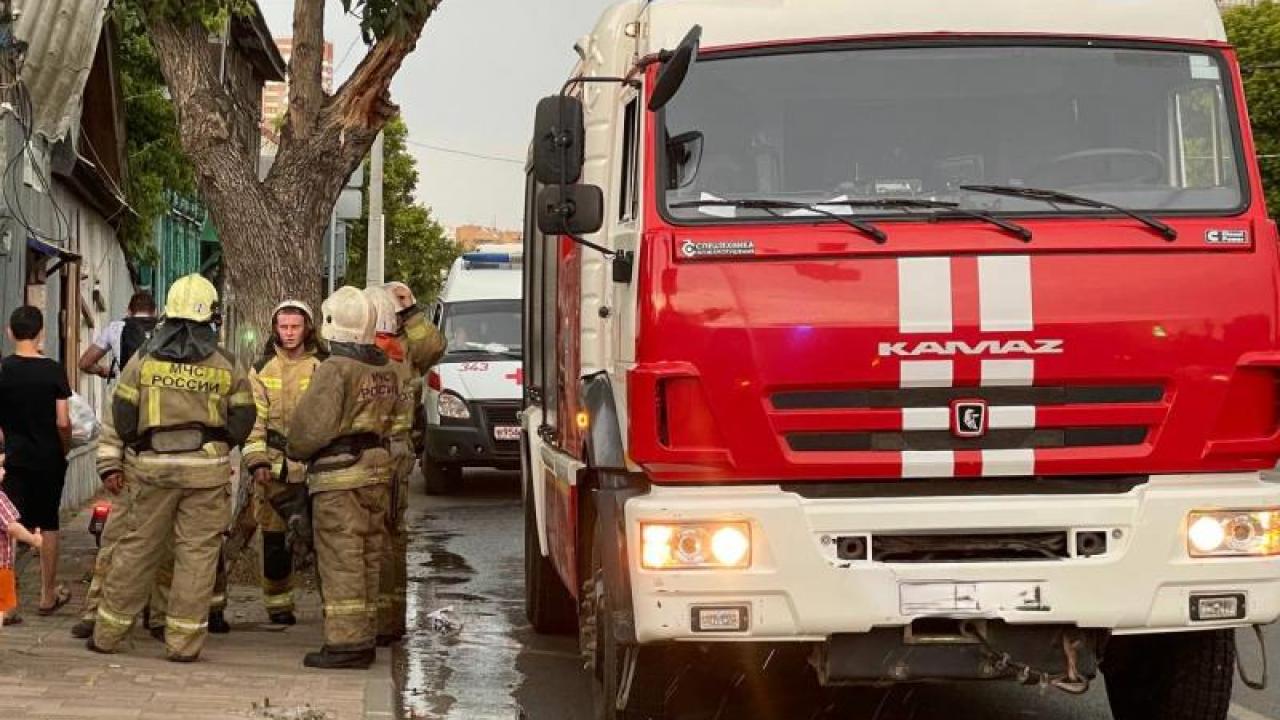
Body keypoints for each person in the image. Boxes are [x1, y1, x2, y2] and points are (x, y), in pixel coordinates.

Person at [89, 274, 255, 662]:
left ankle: (108, 634)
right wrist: (218, 443)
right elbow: (245, 416)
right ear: (212, 316)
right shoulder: (227, 363)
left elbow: (123, 414)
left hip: (153, 470)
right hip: (207, 473)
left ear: (169, 311)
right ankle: (183, 643)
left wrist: (137, 447)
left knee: (137, 549)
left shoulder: (143, 359)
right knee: (196, 557)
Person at [287, 286, 410, 669]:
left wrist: (295, 449)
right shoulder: (386, 368)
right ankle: (365, 634)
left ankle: (346, 644)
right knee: (370, 554)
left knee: (342, 557)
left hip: (340, 477)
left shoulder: (335, 369)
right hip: (377, 470)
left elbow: (309, 430)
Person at [241, 300, 324, 625]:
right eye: (283, 327)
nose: (289, 333)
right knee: (274, 541)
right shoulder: (261, 369)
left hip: (315, 470)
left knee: (324, 540)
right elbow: (254, 422)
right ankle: (278, 606)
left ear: (307, 329)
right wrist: (257, 460)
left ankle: (333, 604)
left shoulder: (323, 366)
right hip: (274, 471)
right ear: (275, 329)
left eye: (295, 327)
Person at [0, 306, 72, 616]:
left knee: (8, 525)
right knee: (49, 521)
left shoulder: (2, 370)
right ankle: (46, 595)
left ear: (10, 332)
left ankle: (8, 604)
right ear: (41, 332)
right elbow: (63, 421)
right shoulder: (54, 370)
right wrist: (63, 448)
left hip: (14, 458)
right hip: (48, 458)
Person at [364, 286, 416, 646]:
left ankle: (381, 620)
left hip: (377, 453)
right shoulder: (402, 354)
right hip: (399, 453)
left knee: (375, 537)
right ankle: (393, 616)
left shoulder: (371, 359)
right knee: (394, 536)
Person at [0, 443, 44, 626]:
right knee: (1, 608)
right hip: (1, 566)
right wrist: (33, 539)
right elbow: (11, 526)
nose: (3, 471)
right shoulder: (0, 499)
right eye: (0, 468)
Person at [79, 291, 158, 380]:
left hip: (128, 390)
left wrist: (105, 371)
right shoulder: (166, 329)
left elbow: (85, 364)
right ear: (155, 312)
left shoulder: (115, 328)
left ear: (128, 311)